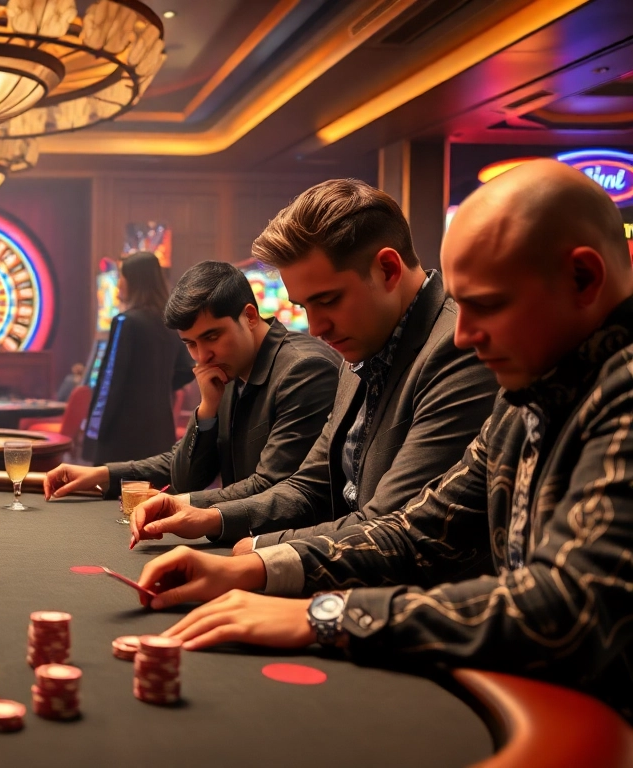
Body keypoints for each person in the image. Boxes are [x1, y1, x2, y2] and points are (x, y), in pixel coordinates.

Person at [135, 159, 633, 722]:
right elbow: (419, 530)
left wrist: (325, 615)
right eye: (462, 306)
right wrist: (252, 568)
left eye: (486, 305)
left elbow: (568, 609)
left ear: (584, 279)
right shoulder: (535, 385)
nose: (465, 333)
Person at [131, 179, 497, 547]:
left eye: (329, 300)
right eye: (306, 307)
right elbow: (311, 486)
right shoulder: (361, 345)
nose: (317, 327)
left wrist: (262, 554)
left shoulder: (458, 346)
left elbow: (391, 525)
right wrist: (212, 516)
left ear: (388, 269)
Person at [44, 261, 341, 505]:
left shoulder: (303, 370)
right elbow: (185, 476)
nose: (203, 356)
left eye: (212, 337)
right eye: (190, 344)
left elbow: (271, 488)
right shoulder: (225, 369)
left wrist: (179, 505)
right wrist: (102, 474)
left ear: (249, 316)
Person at [83, 251, 195, 464]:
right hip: (159, 431)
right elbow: (187, 368)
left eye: (121, 279)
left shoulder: (126, 322)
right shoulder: (171, 322)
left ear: (134, 282)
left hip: (122, 433)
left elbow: (109, 383)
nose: (118, 286)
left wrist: (93, 433)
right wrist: (157, 388)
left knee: (116, 494)